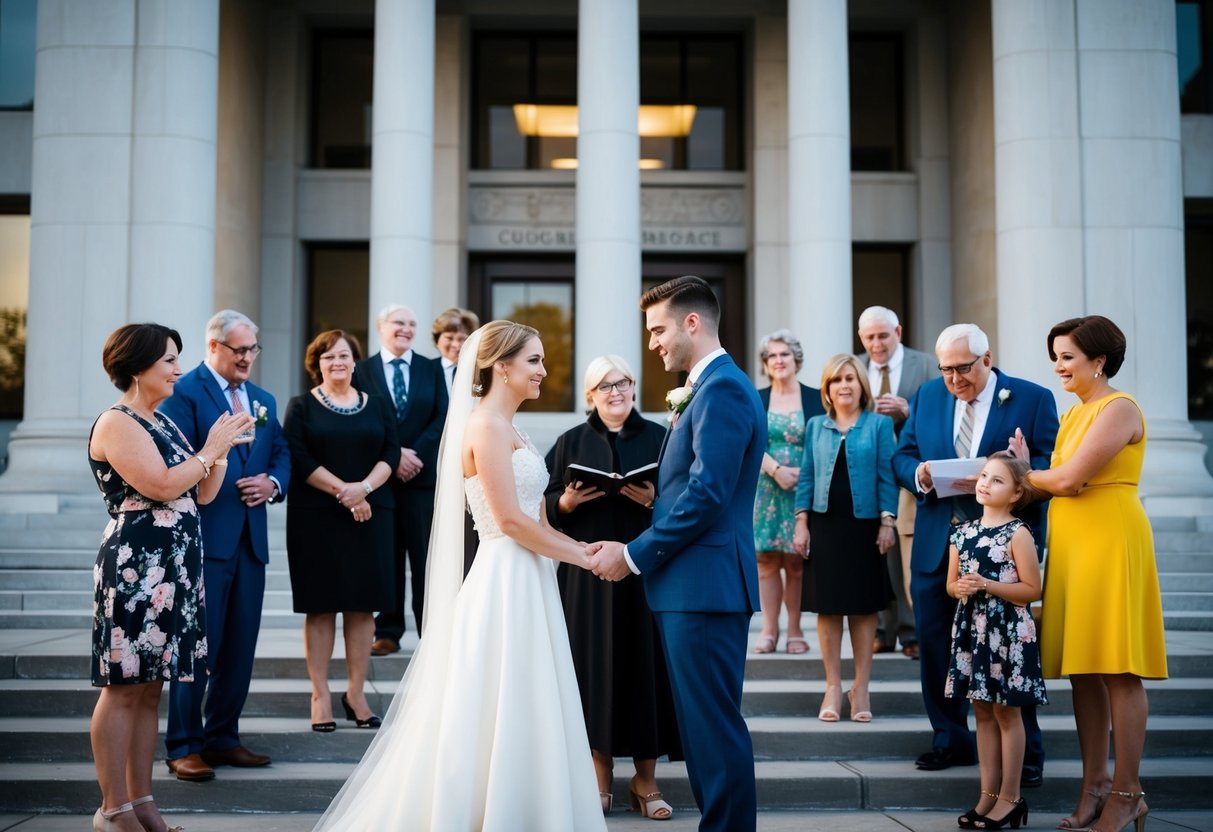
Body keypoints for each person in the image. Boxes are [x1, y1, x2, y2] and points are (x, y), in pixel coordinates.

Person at [313, 321, 605, 830]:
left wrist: (580, 548)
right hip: (503, 580)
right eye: (534, 360)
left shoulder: (513, 428)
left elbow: (537, 519)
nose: (543, 370)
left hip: (532, 577)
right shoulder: (485, 427)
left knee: (533, 696)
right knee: (497, 698)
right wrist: (587, 561)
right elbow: (510, 522)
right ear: (501, 366)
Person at [589, 275, 764, 832]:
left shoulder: (725, 390)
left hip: (706, 587)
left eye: (658, 329)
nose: (653, 343)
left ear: (693, 323)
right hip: (690, 585)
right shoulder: (707, 387)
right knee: (701, 727)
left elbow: (708, 493)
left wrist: (635, 554)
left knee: (713, 728)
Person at [88, 323, 253, 832]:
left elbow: (201, 494)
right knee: (122, 688)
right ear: (138, 367)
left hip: (176, 566)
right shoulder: (117, 423)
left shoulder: (162, 421)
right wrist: (209, 451)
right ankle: (112, 809)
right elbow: (159, 484)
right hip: (138, 567)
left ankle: (142, 803)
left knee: (151, 687)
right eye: (169, 360)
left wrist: (218, 451)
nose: (178, 369)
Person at [1009, 315, 1166, 832]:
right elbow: (1053, 481)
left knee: (1118, 667)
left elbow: (1071, 479)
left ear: (1099, 361)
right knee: (1083, 668)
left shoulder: (1118, 408)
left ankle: (1127, 792)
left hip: (1110, 539)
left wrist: (1017, 474)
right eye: (1055, 356)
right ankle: (1094, 784)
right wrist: (1033, 471)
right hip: (1074, 544)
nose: (1058, 366)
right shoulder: (1075, 414)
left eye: (1068, 356)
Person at [891, 323, 1057, 784]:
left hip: (1002, 550)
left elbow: (1050, 469)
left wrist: (1022, 470)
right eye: (946, 370)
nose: (953, 380)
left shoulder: (1032, 398)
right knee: (936, 647)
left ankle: (1025, 755)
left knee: (1007, 649)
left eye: (962, 369)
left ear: (987, 359)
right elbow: (902, 456)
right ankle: (950, 739)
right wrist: (921, 474)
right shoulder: (928, 395)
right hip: (936, 542)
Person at [543, 355, 681, 818]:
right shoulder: (570, 442)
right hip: (587, 579)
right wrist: (565, 500)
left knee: (646, 668)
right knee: (592, 670)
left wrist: (654, 500)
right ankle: (598, 777)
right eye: (604, 386)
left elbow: (685, 498)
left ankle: (645, 782)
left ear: (635, 387)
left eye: (622, 382)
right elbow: (541, 505)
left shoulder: (662, 438)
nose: (614, 391)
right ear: (590, 395)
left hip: (647, 571)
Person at [161, 310, 290, 782]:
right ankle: (183, 745)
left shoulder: (263, 399)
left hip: (251, 541)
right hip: (203, 538)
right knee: (198, 647)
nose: (248, 358)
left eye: (253, 350)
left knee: (239, 646)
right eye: (239, 350)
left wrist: (272, 482)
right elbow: (175, 456)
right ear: (213, 346)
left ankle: (223, 737)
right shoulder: (185, 391)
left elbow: (280, 451)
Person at [284, 330, 399, 732]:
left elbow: (392, 452)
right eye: (329, 356)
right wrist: (345, 492)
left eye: (345, 356)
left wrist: (363, 489)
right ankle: (320, 695)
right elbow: (298, 456)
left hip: (371, 513)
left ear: (356, 361)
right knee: (321, 606)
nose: (338, 362)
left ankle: (355, 692)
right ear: (316, 363)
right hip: (317, 515)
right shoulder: (300, 406)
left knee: (363, 605)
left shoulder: (378, 404)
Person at [792, 354, 897, 723]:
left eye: (851, 378)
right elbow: (806, 475)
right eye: (837, 380)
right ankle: (833, 686)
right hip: (824, 525)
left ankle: (861, 687)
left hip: (864, 526)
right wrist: (801, 522)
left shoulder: (880, 425)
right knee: (828, 606)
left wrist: (888, 521)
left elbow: (887, 475)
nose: (845, 385)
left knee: (864, 607)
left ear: (862, 385)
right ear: (827, 389)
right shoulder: (815, 426)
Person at [945, 452, 1046, 830]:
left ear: (1017, 492)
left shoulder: (1017, 532)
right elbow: (951, 585)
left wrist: (987, 584)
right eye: (984, 476)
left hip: (1007, 632)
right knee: (982, 710)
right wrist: (962, 588)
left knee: (1007, 711)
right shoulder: (961, 531)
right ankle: (986, 796)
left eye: (997, 480)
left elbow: (1032, 589)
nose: (985, 483)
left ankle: (1010, 796)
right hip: (973, 629)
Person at [354, 304, 448, 655]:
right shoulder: (362, 371)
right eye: (398, 323)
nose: (406, 329)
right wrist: (393, 457)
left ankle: (431, 632)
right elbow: (362, 416)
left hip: (422, 480)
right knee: (387, 558)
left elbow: (443, 415)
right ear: (381, 327)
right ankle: (388, 632)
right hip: (381, 480)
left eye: (412, 324)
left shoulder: (431, 368)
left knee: (426, 559)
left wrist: (415, 454)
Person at [857, 305, 935, 660]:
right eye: (870, 337)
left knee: (905, 554)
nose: (876, 343)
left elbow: (940, 413)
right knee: (874, 552)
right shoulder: (854, 367)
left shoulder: (926, 365)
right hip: (868, 472)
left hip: (909, 473)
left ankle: (911, 631)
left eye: (883, 335)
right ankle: (882, 630)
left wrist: (907, 411)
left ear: (898, 333)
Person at [752, 329, 824, 655]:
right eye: (772, 356)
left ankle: (795, 629)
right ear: (765, 364)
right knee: (766, 561)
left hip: (803, 488)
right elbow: (748, 440)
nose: (778, 361)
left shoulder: (817, 396)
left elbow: (825, 439)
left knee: (796, 561)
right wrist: (775, 470)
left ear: (796, 359)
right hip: (765, 488)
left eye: (784, 354)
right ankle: (769, 629)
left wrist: (803, 473)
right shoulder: (756, 398)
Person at [432, 306, 480, 395]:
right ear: (437, 339)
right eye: (449, 338)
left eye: (462, 339)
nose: (456, 345)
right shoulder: (424, 370)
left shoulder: (480, 371)